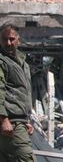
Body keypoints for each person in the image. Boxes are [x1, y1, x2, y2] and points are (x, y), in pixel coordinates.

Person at [0, 24, 36, 162]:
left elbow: (22, 93)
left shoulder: (23, 63)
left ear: (18, 40)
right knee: (27, 158)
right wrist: (3, 119)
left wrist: (27, 119)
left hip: (18, 122)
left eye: (11, 39)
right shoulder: (2, 61)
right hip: (10, 122)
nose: (8, 43)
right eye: (4, 39)